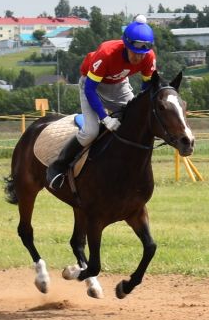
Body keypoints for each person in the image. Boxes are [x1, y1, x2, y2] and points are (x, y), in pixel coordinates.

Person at [47, 19, 156, 191]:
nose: (139, 57)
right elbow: (90, 89)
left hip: (119, 86)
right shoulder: (106, 53)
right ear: (126, 45)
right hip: (92, 86)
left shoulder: (149, 56)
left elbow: (146, 87)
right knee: (91, 131)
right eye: (135, 52)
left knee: (136, 125)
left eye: (142, 54)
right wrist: (105, 118)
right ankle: (58, 166)